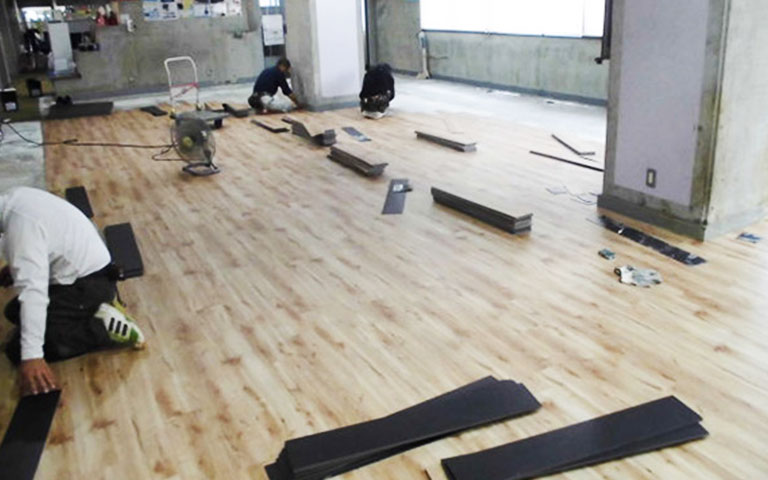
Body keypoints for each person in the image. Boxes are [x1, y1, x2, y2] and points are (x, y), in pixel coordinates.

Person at [1, 187, 146, 397]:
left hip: (88, 286)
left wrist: (32, 357)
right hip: (92, 272)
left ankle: (103, 328)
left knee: (16, 350)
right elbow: (44, 239)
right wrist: (17, 264)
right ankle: (91, 311)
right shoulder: (16, 199)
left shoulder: (21, 229)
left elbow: (33, 293)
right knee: (13, 312)